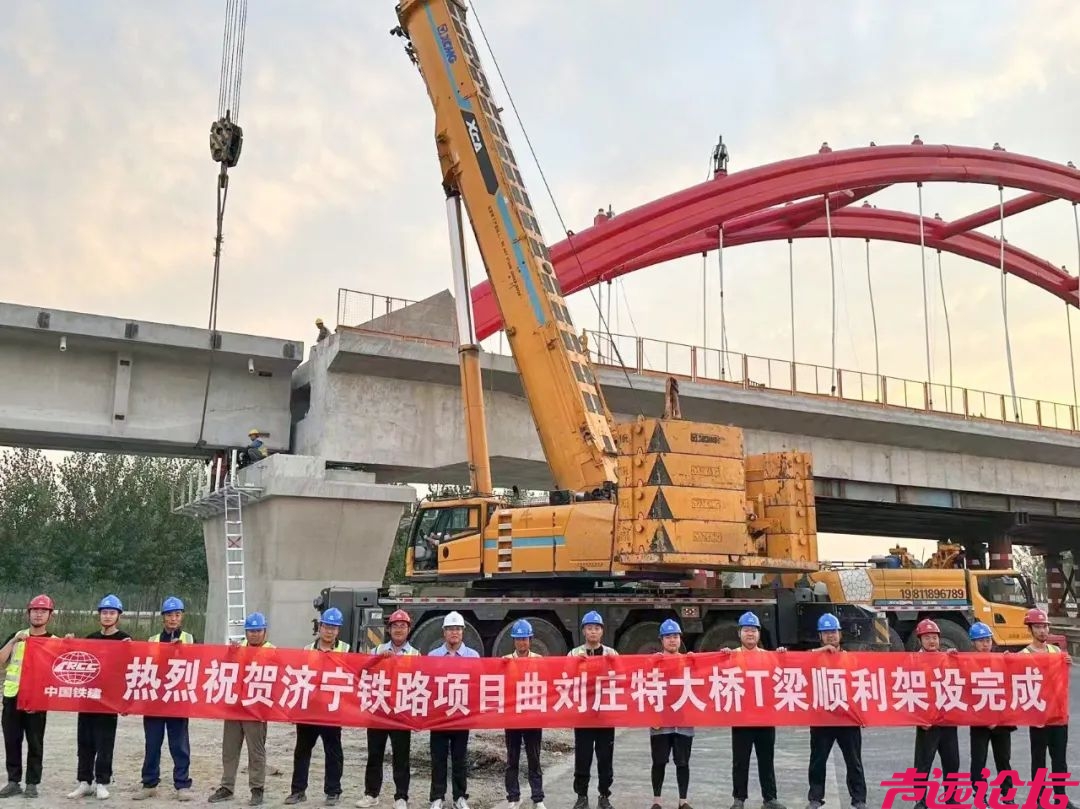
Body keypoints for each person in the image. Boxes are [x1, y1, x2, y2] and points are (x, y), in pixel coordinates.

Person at [66, 595, 131, 800]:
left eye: (112, 613)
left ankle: (102, 781)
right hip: (88, 697)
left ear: (118, 616)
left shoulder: (124, 640)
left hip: (109, 700)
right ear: (99, 615)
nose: (108, 616)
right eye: (104, 612)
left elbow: (129, 669)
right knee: (84, 741)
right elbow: (77, 661)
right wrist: (69, 644)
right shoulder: (90, 638)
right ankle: (84, 781)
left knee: (104, 743)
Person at [133, 596, 195, 802]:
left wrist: (181, 651)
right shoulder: (152, 640)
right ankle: (149, 783)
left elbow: (196, 666)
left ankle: (182, 784)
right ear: (163, 618)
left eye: (177, 615)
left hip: (177, 699)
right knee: (152, 743)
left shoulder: (190, 639)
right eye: (169, 615)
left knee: (179, 745)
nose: (173, 619)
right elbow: (147, 665)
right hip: (155, 700)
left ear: (182, 617)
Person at [209, 612, 275, 807]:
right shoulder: (238, 649)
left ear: (264, 631)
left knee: (256, 751)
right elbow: (225, 672)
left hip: (256, 709)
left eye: (257, 631)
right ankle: (227, 787)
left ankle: (257, 788)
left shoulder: (273, 651)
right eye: (250, 631)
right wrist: (230, 654)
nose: (254, 635)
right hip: (234, 707)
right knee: (229, 749)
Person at [285, 608, 349, 807]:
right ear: (319, 627)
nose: (329, 631)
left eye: (334, 628)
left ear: (338, 630)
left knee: (333, 751)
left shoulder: (346, 650)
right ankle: (298, 791)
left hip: (331, 709)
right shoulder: (307, 649)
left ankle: (333, 791)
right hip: (309, 709)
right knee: (302, 751)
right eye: (326, 626)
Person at [357, 609, 420, 809]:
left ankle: (401, 796)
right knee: (374, 754)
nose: (399, 629)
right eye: (395, 626)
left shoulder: (415, 654)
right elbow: (361, 671)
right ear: (389, 629)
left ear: (408, 630)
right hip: (378, 710)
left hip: (401, 712)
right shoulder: (377, 650)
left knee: (401, 756)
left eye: (403, 626)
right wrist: (378, 659)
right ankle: (371, 793)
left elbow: (421, 681)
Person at [805, 613, 866, 809]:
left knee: (854, 761)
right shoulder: (814, 657)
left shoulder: (851, 658)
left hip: (847, 718)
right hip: (822, 717)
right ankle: (815, 797)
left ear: (840, 634)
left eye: (833, 632)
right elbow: (797, 663)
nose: (831, 636)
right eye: (826, 633)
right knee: (818, 760)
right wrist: (821, 650)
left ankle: (858, 799)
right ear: (820, 636)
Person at [1019, 608, 1078, 809]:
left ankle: (1060, 797)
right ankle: (1039, 799)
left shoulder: (1056, 652)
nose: (1042, 631)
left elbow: (1061, 682)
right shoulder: (1024, 655)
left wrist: (1067, 663)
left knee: (1059, 760)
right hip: (1038, 715)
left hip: (1058, 715)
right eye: (1037, 627)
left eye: (1044, 626)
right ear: (1030, 629)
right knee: (1039, 760)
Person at [727, 611, 786, 809]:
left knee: (766, 760)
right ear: (739, 633)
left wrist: (784, 656)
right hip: (742, 718)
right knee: (740, 761)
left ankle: (770, 798)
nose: (750, 634)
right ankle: (739, 799)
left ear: (759, 634)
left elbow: (784, 676)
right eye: (746, 630)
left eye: (753, 630)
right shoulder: (732, 655)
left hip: (765, 717)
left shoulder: (770, 657)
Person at [0, 595, 56, 799]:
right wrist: (14, 640)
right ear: (28, 613)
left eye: (43, 611)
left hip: (37, 700)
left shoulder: (55, 642)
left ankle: (32, 783)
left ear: (50, 615)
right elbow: (1, 662)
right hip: (12, 696)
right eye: (35, 610)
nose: (38, 614)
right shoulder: (18, 636)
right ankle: (13, 781)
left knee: (35, 742)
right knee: (11, 740)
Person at [428, 612, 480, 809]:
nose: (454, 633)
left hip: (461, 715)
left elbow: (477, 685)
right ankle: (437, 797)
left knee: (460, 759)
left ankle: (460, 797)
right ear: (444, 632)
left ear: (463, 632)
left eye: (457, 629)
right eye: (450, 629)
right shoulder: (433, 656)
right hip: (439, 717)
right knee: (438, 759)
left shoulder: (473, 656)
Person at [569, 611, 618, 809]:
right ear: (583, 631)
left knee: (605, 758)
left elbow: (622, 678)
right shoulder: (574, 654)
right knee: (583, 757)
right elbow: (564, 679)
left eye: (597, 628)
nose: (593, 632)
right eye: (589, 628)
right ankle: (582, 796)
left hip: (605, 714)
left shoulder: (611, 654)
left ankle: (604, 796)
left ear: (602, 632)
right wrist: (575, 666)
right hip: (583, 715)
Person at [909, 619, 958, 809]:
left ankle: (951, 797)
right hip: (926, 721)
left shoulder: (947, 658)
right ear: (920, 639)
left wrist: (955, 659)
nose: (932, 641)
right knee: (923, 763)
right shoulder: (912, 661)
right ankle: (920, 801)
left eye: (935, 638)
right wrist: (918, 718)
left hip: (947, 719)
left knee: (952, 761)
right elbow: (907, 690)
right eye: (928, 637)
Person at [965, 622, 1017, 802]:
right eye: (980, 641)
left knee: (1003, 760)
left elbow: (1013, 684)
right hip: (979, 721)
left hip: (1001, 720)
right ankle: (980, 797)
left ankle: (1007, 795)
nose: (985, 644)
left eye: (987, 640)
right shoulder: (967, 663)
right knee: (978, 761)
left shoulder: (1002, 660)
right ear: (973, 643)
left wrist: (1012, 661)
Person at [649, 619, 693, 809]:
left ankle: (683, 801)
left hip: (684, 720)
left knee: (682, 762)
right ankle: (657, 801)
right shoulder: (654, 662)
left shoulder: (689, 661)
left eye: (675, 636)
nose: (672, 640)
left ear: (680, 639)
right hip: (660, 720)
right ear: (661, 640)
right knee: (659, 761)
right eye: (668, 637)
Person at [502, 619, 545, 809]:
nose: (521, 642)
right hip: (512, 716)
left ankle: (538, 798)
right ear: (514, 641)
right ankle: (513, 797)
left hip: (532, 715)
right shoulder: (505, 661)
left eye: (524, 638)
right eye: (518, 639)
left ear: (530, 639)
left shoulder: (539, 660)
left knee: (534, 758)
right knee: (512, 759)